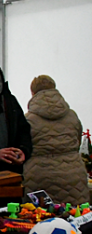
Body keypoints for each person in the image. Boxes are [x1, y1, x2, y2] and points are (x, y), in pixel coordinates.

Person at [22, 75, 88, 205]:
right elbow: (77, 141)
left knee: (42, 219)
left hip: (39, 176)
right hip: (73, 175)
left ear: (33, 93)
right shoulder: (72, 116)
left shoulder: (28, 119)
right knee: (76, 219)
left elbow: (24, 148)